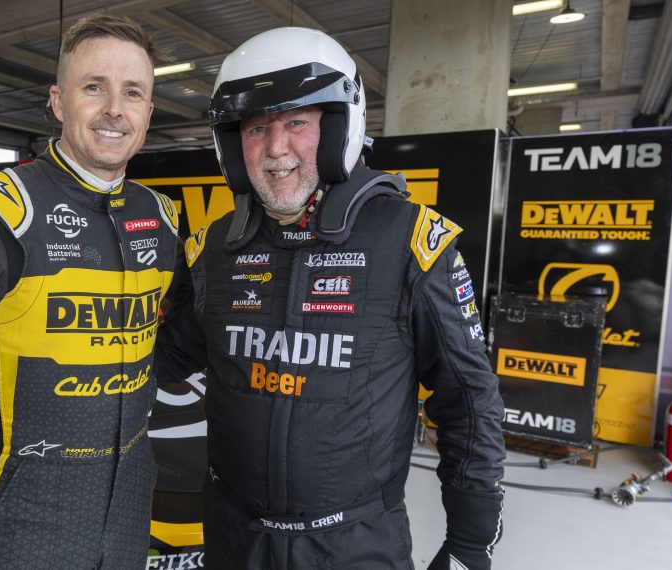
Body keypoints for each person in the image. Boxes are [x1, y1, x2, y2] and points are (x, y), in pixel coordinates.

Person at [155, 27, 505, 569]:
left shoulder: (412, 243)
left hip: (355, 545)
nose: (275, 149)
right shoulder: (210, 248)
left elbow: (469, 400)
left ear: (341, 126)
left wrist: (470, 541)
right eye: (256, 128)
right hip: (231, 538)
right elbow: (162, 355)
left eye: (297, 122)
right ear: (232, 145)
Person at [0, 15, 179, 570]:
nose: (115, 109)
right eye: (94, 87)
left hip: (129, 522)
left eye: (133, 93)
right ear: (59, 102)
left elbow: (175, 338)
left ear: (148, 112)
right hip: (26, 529)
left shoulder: (159, 217)